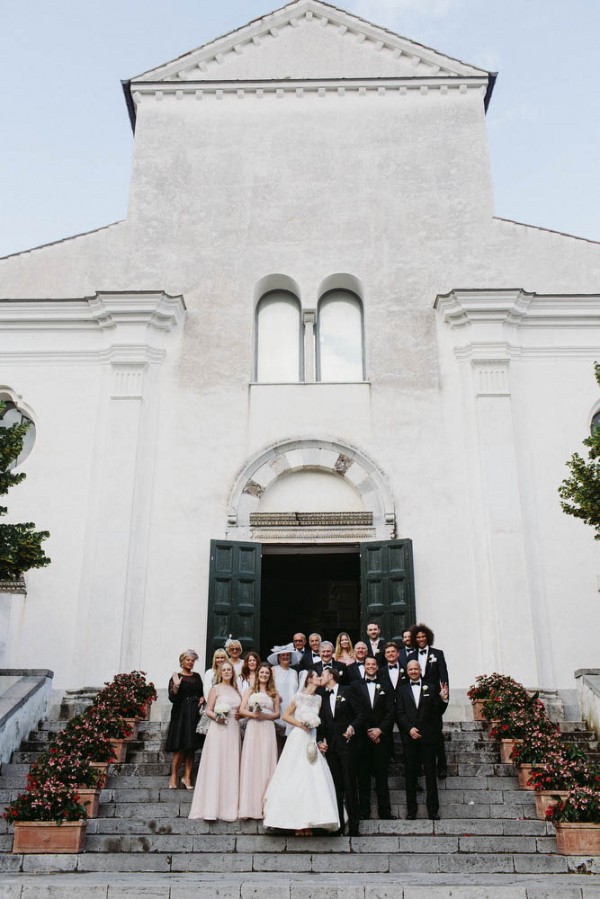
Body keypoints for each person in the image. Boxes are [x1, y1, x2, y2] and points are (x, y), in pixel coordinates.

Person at [263, 670, 339, 835]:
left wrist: (316, 729)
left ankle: (310, 821)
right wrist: (301, 724)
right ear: (310, 679)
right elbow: (285, 716)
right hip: (298, 737)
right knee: (296, 775)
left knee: (312, 776)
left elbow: (322, 719)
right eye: (318, 676)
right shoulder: (298, 696)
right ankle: (297, 823)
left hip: (312, 737)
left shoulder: (319, 699)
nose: (320, 678)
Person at [189, 660, 241, 821]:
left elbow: (239, 710)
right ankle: (211, 808)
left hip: (233, 729)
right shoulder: (215, 689)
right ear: (220, 673)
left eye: (229, 670)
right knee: (216, 764)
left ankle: (229, 806)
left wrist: (240, 715)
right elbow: (208, 711)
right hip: (218, 729)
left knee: (231, 765)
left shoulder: (236, 690)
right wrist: (217, 717)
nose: (226, 672)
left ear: (232, 672)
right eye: (223, 670)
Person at [396, 659, 449, 820]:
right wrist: (409, 729)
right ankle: (411, 811)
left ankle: (433, 810)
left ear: (420, 670)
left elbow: (437, 711)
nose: (413, 671)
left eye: (415, 669)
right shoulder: (401, 690)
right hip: (409, 737)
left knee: (431, 775)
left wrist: (443, 699)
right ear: (407, 671)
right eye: (410, 669)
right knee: (410, 775)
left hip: (428, 738)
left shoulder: (432, 688)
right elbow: (399, 713)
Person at [317, 667, 363, 836]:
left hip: (347, 745)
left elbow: (360, 714)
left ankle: (354, 826)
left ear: (330, 676)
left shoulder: (348, 690)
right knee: (335, 787)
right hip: (331, 749)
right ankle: (338, 826)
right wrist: (320, 741)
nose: (320, 677)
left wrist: (352, 727)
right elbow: (320, 722)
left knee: (350, 785)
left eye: (322, 674)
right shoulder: (321, 696)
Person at [352, 656, 396, 820]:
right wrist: (369, 732)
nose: (370, 666)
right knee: (363, 777)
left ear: (377, 667)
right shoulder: (356, 686)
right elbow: (356, 711)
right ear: (364, 667)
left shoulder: (386, 685)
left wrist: (379, 730)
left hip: (381, 738)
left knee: (381, 776)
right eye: (367, 664)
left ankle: (385, 812)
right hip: (362, 739)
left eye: (373, 664)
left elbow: (391, 710)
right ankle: (364, 812)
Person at [238, 663, 280, 819]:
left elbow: (277, 714)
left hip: (268, 728)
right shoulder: (250, 690)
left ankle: (266, 805)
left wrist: (265, 716)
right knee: (253, 763)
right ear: (258, 674)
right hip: (254, 727)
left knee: (266, 762)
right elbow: (241, 710)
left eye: (266, 673)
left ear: (270, 676)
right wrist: (253, 715)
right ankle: (250, 806)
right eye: (262, 672)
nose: (264, 675)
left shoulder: (273, 692)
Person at [410, 623, 449, 778]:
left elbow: (444, 676)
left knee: (437, 733)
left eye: (423, 636)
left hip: (434, 700)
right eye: (418, 637)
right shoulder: (411, 656)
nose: (421, 639)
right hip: (417, 698)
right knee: (418, 732)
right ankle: (420, 766)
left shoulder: (437, 654)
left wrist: (444, 698)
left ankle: (442, 766)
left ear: (428, 637)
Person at [166, 650, 204, 790]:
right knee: (180, 747)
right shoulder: (176, 676)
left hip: (194, 713)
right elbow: (172, 698)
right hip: (181, 712)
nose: (190, 662)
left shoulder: (197, 676)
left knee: (191, 747)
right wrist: (176, 687)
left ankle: (187, 777)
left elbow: (201, 693)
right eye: (187, 660)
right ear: (182, 661)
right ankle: (174, 776)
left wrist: (202, 698)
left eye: (192, 660)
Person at [267, 643, 301, 737]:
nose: (285, 657)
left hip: (292, 707)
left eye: (287, 655)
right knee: (279, 734)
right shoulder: (274, 669)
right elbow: (269, 687)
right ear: (278, 657)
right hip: (278, 705)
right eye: (283, 655)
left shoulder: (294, 672)